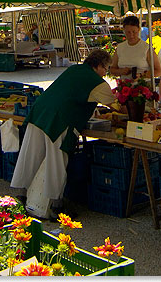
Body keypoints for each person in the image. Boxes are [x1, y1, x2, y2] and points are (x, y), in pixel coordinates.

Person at [11, 49, 117, 218]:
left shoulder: (73, 69)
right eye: (106, 68)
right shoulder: (97, 82)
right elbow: (116, 106)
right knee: (57, 161)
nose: (106, 73)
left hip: (40, 111)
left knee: (29, 155)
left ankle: (19, 197)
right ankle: (56, 206)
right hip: (60, 120)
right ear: (98, 66)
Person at [111, 15, 155, 80]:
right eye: (128, 32)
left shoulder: (146, 48)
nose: (131, 35)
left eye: (134, 32)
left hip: (142, 87)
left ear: (139, 29)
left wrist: (141, 75)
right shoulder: (120, 48)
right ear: (124, 31)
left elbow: (158, 71)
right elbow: (112, 69)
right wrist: (121, 71)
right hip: (124, 87)